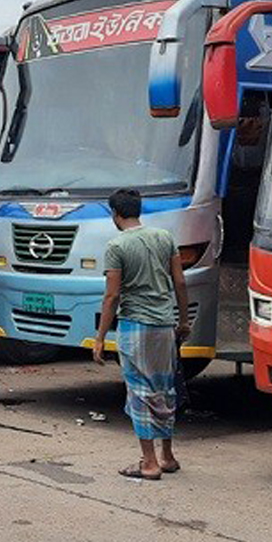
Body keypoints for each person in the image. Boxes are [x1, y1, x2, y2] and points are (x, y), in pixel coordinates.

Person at [93, 188, 190, 480]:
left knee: (140, 391)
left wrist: (99, 338)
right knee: (165, 388)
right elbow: (180, 282)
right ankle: (168, 456)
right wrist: (183, 321)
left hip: (135, 325)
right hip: (165, 324)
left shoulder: (117, 246)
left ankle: (149, 462)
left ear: (115, 214)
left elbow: (112, 296)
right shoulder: (164, 238)